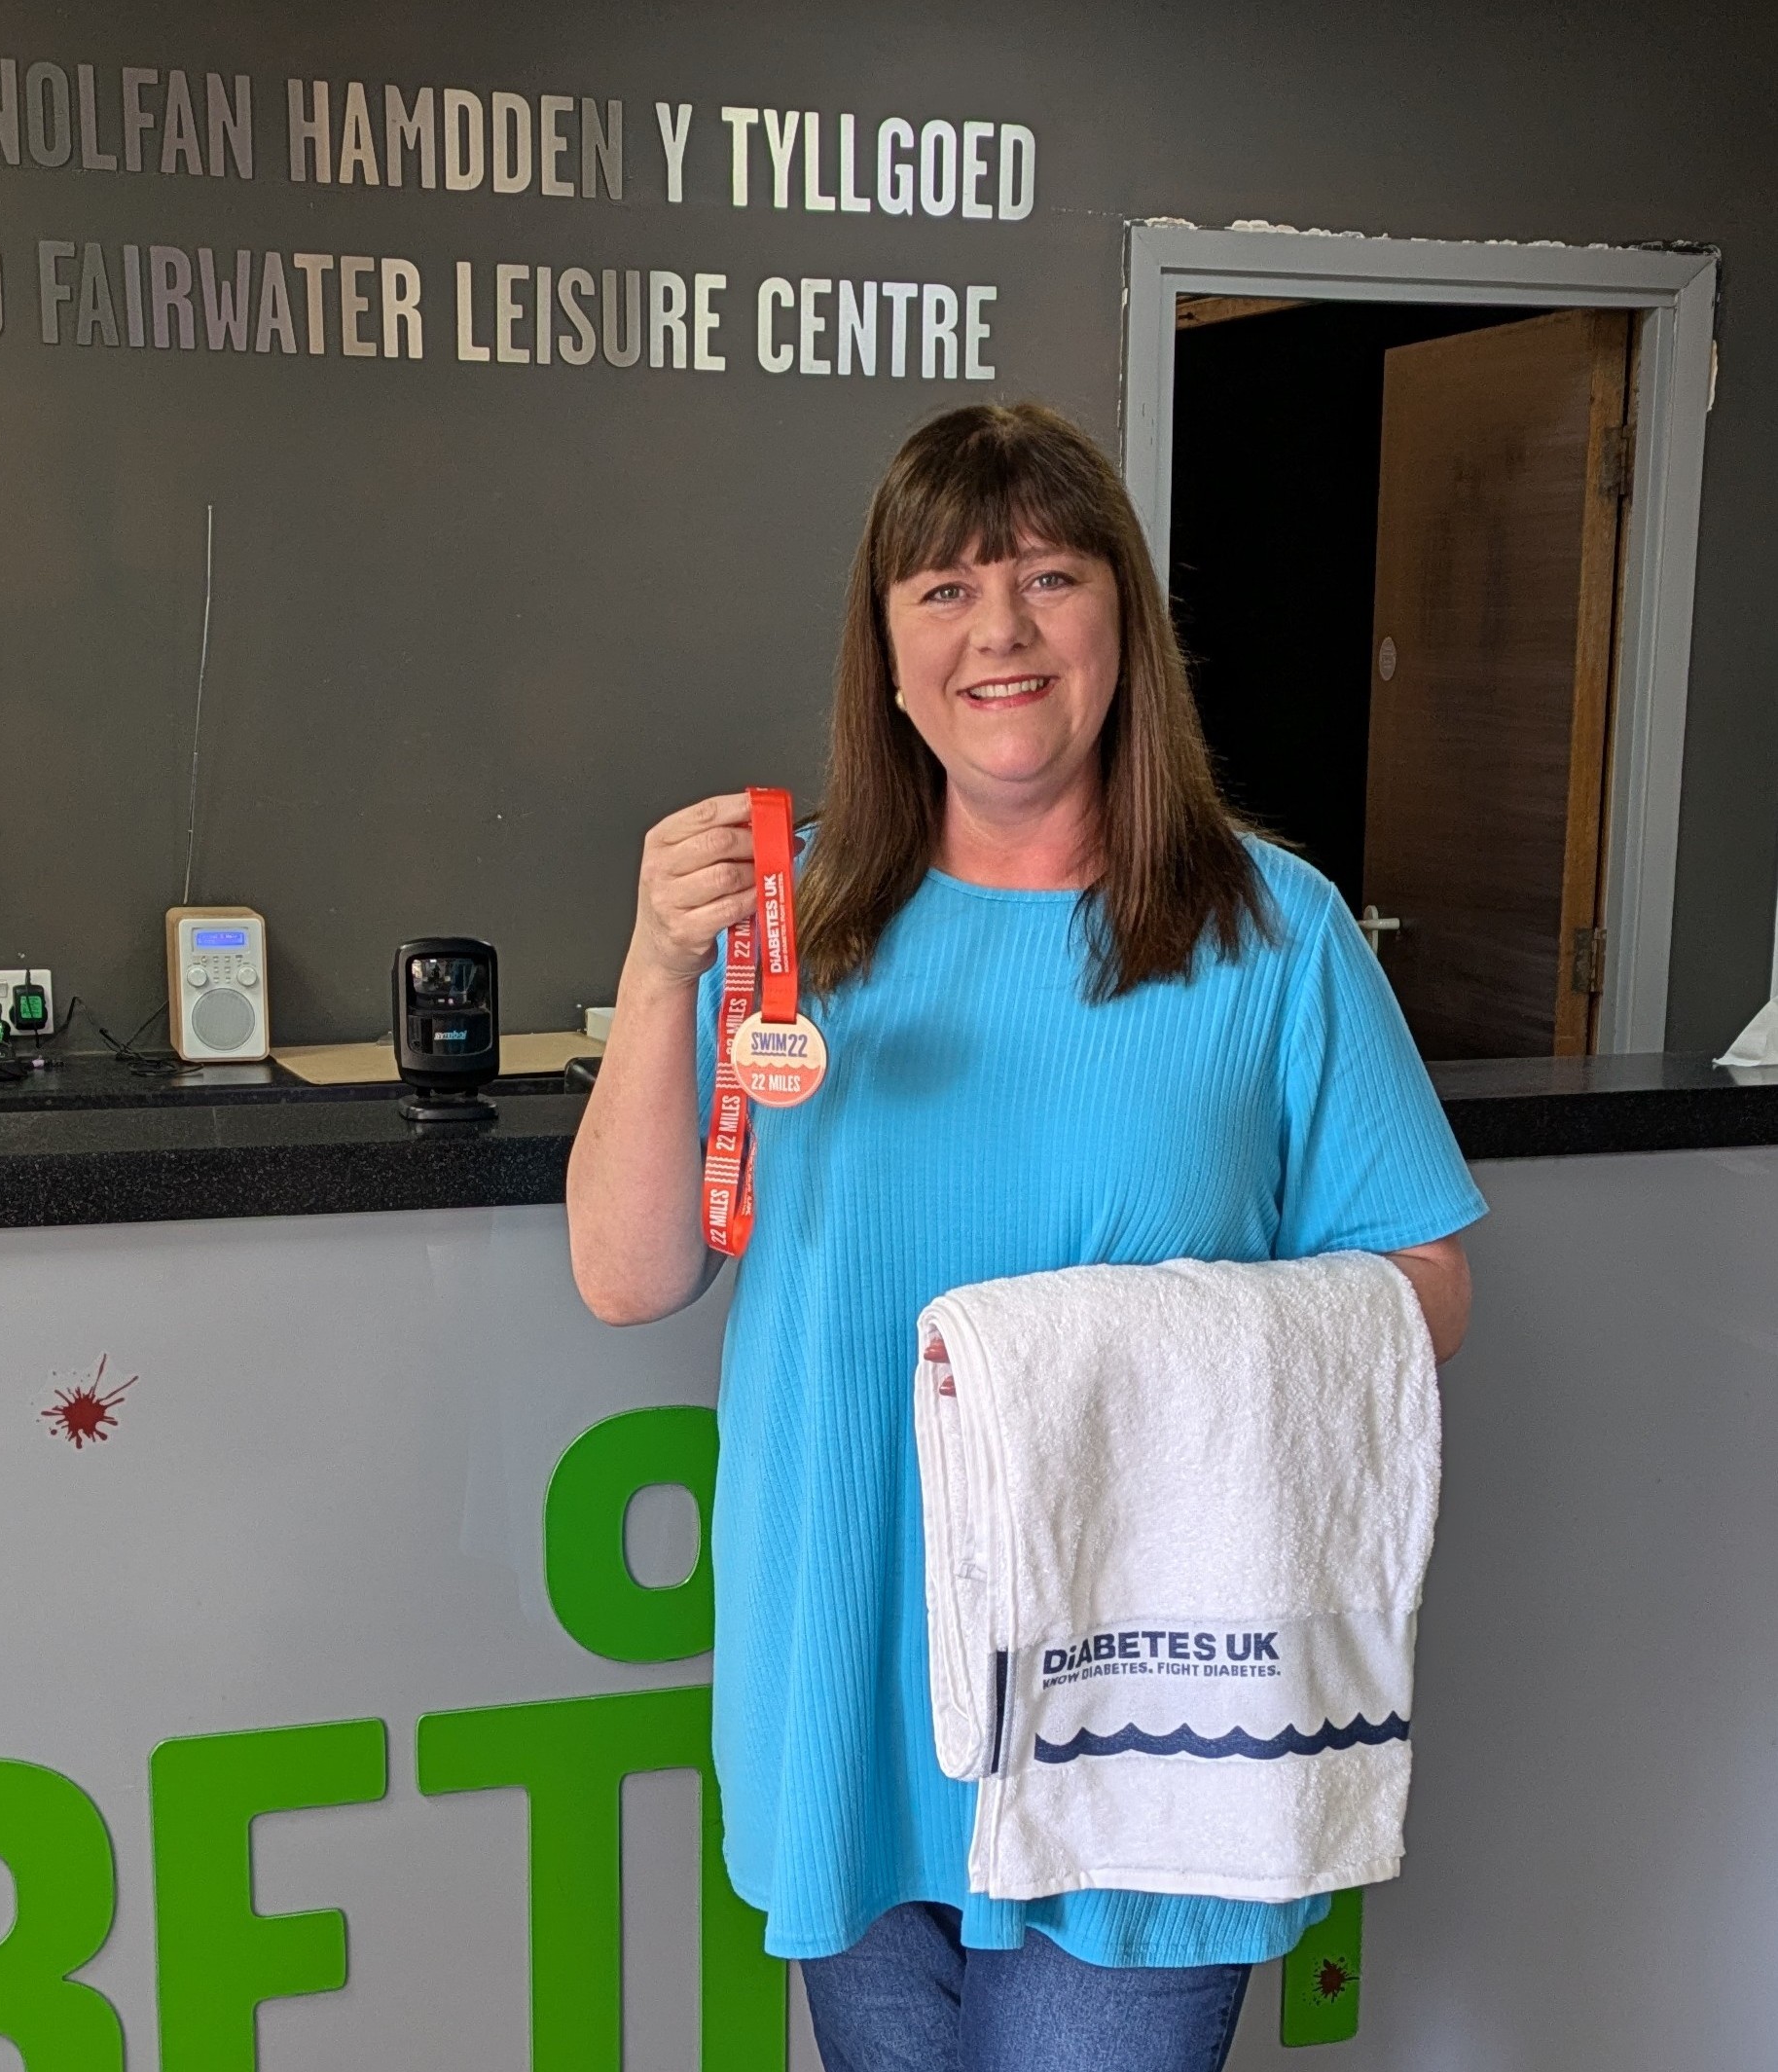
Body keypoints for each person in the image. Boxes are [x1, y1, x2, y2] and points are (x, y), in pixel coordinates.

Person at [565, 401, 1483, 2072]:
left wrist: (1121, 1342)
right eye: (942, 590)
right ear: (887, 653)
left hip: (1142, 1721)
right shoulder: (792, 931)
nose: (999, 631)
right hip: (851, 1689)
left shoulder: (1277, 936)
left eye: (1051, 577)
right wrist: (651, 971)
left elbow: (1426, 1287)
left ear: (1124, 623)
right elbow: (631, 1276)